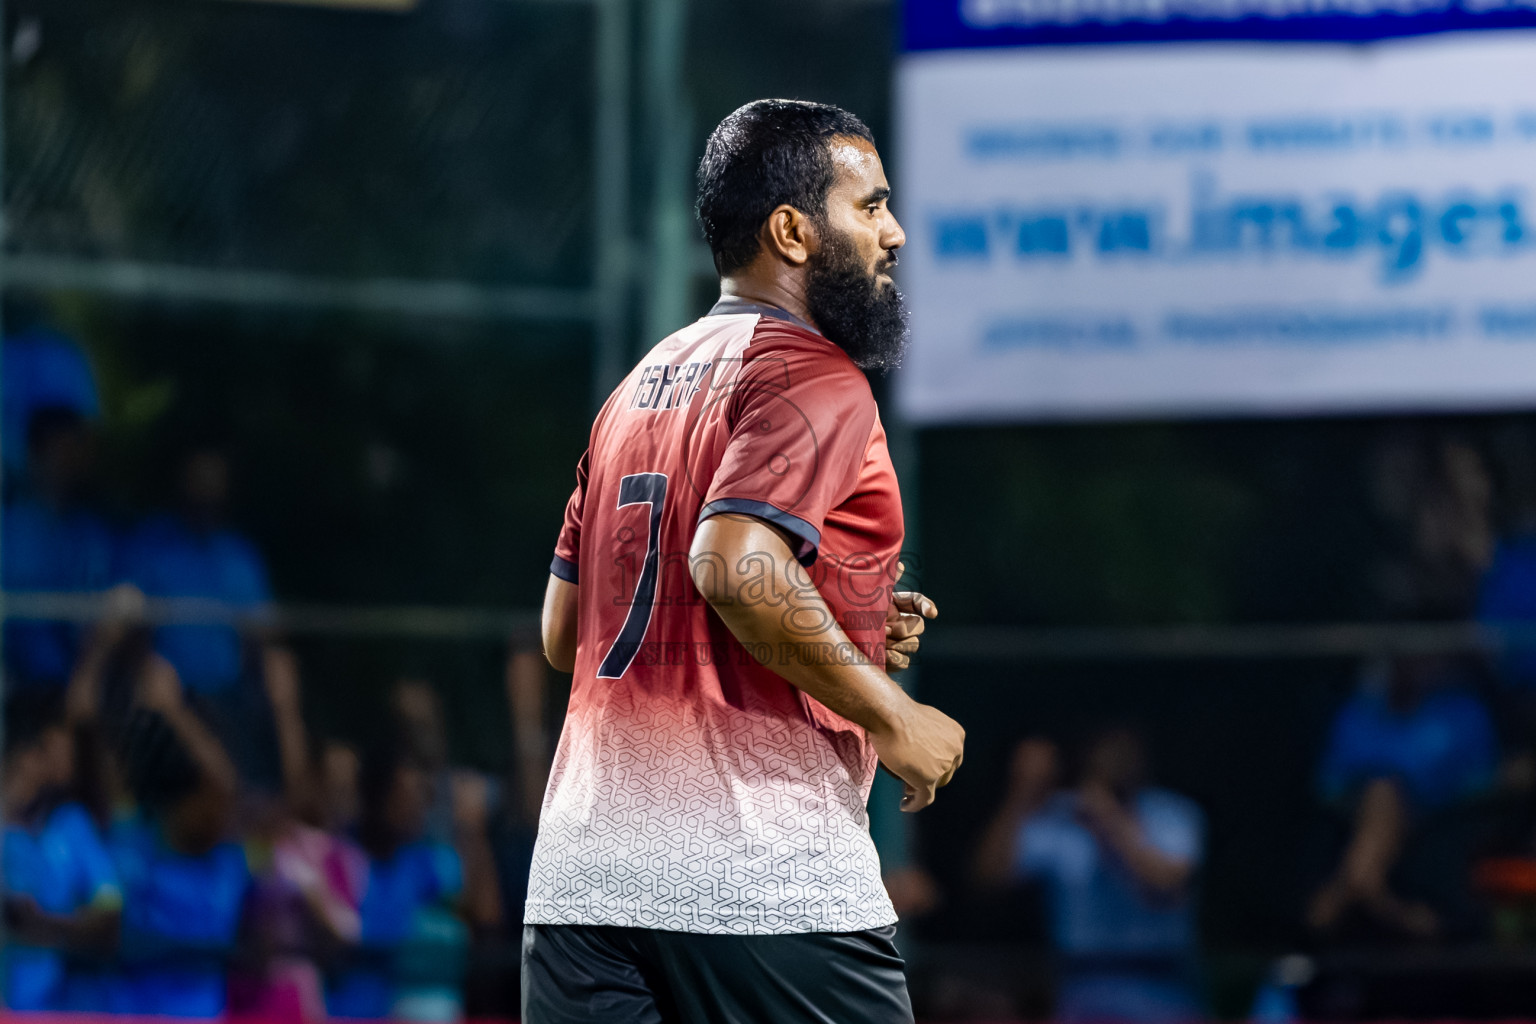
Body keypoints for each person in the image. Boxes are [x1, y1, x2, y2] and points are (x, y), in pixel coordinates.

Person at [524, 99, 965, 1024]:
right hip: (760, 879)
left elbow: (568, 633)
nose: (896, 233)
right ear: (793, 232)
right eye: (872, 206)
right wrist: (894, 716)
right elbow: (731, 564)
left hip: (580, 885)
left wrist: (835, 621)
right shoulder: (813, 372)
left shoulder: (632, 391)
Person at [973, 730, 1205, 1024]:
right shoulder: (1063, 816)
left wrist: (1108, 819)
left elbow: (1165, 885)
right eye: (1106, 746)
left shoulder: (1172, 814)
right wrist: (1022, 792)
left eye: (1125, 747)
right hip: (1082, 984)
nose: (1116, 757)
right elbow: (991, 875)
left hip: (1161, 984)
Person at [1306, 655, 1497, 938]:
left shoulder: (1462, 713)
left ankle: (1349, 890)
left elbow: (1482, 778)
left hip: (1438, 814)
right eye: (1406, 657)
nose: (1417, 665)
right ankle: (1382, 900)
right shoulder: (1359, 712)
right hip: (1358, 810)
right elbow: (1331, 783)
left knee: (1387, 792)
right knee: (1381, 792)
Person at [109, 665, 251, 1017]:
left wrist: (173, 711)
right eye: (205, 798)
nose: (220, 809)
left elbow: (225, 787)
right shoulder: (130, 848)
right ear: (176, 802)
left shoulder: (228, 862)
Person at [324, 742, 500, 1020]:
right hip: (358, 1011)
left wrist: (473, 830)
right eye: (403, 794)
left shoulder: (430, 859)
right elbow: (372, 935)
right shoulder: (344, 857)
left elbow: (485, 916)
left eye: (420, 793)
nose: (416, 805)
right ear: (376, 797)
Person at [3, 407, 123, 714]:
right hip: (18, 684)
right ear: (35, 453)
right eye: (61, 449)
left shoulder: (93, 533)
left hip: (84, 685)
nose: (70, 461)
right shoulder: (10, 530)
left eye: (76, 449)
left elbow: (111, 604)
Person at [2, 714, 121, 1012]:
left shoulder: (71, 824)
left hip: (46, 999)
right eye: (45, 749)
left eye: (68, 752)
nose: (58, 761)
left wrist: (48, 925)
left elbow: (109, 907)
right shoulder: (11, 829)